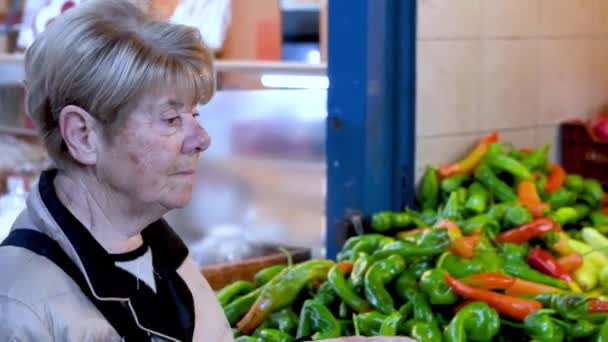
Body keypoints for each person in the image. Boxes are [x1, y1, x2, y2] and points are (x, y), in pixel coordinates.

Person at [0, 0, 415, 341]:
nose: (202, 138)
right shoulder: (21, 305)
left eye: (194, 113)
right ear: (83, 135)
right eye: (170, 119)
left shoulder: (158, 251)